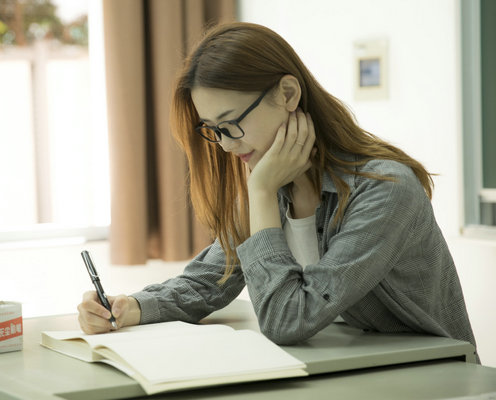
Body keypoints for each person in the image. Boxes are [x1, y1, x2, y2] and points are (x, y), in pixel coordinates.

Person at [77, 22, 476, 347]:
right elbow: (209, 280)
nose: (228, 146)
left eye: (233, 124)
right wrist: (131, 306)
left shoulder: (386, 190)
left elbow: (288, 320)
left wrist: (262, 194)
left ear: (288, 93)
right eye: (214, 130)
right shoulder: (273, 181)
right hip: (345, 369)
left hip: (429, 376)